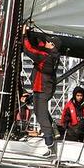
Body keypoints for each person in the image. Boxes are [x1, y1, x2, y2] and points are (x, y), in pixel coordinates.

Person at [21, 25, 61, 157]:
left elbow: (29, 50)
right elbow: (41, 44)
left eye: (50, 42)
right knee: (40, 112)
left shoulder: (45, 56)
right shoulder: (52, 54)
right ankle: (54, 131)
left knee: (41, 115)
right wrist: (32, 34)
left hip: (42, 89)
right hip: (46, 88)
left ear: (53, 45)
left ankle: (51, 147)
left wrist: (25, 36)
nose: (47, 43)